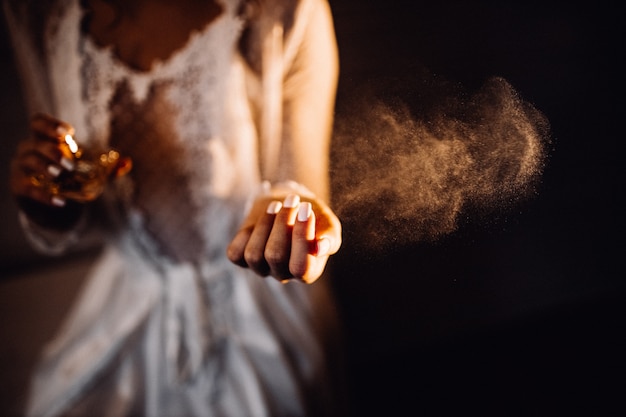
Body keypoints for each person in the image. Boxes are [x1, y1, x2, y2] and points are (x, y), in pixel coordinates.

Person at [4, 0, 343, 415]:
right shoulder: (39, 12)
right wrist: (44, 195)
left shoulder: (281, 8)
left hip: (254, 309)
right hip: (130, 302)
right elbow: (73, 186)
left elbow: (302, 184)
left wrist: (292, 219)